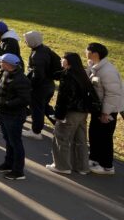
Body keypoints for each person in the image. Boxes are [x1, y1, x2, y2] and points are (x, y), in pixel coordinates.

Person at [47, 52, 96, 175]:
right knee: (80, 140)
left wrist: (59, 115)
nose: (61, 60)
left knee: (61, 137)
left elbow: (64, 98)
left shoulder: (68, 76)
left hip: (70, 112)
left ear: (68, 61)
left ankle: (62, 166)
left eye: (63, 59)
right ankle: (82, 167)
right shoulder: (81, 73)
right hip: (83, 112)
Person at [0, 53, 31, 181]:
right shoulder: (5, 73)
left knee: (15, 142)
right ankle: (8, 164)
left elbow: (24, 99)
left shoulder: (21, 80)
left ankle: (18, 171)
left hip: (14, 115)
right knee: (8, 140)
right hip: (4, 113)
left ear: (9, 64)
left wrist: (7, 104)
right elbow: (0, 89)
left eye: (2, 61)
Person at [86, 42, 123, 175]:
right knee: (94, 133)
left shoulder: (108, 71)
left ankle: (107, 166)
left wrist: (106, 113)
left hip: (108, 110)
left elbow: (113, 94)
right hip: (99, 108)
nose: (86, 53)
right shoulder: (96, 66)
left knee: (105, 137)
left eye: (87, 51)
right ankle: (94, 158)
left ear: (95, 54)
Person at [23, 31, 60, 140]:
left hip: (40, 88)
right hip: (49, 85)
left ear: (32, 41)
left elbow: (38, 75)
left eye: (27, 40)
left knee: (37, 109)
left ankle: (36, 131)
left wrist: (30, 86)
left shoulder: (37, 55)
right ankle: (60, 126)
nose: (25, 42)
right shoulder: (45, 49)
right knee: (45, 107)